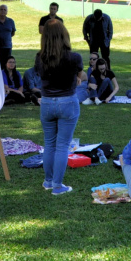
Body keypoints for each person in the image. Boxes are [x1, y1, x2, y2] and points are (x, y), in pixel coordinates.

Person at [36, 19, 86, 195]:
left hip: (47, 102)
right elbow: (80, 76)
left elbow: (41, 76)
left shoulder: (39, 57)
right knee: (62, 145)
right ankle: (57, 186)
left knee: (49, 144)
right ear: (64, 35)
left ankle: (48, 181)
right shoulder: (74, 57)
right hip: (67, 102)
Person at [0, 4, 17, 69]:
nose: (3, 11)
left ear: (7, 12)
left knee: (7, 65)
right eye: (1, 9)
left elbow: (12, 33)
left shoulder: (11, 21)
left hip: (7, 47)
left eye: (5, 10)